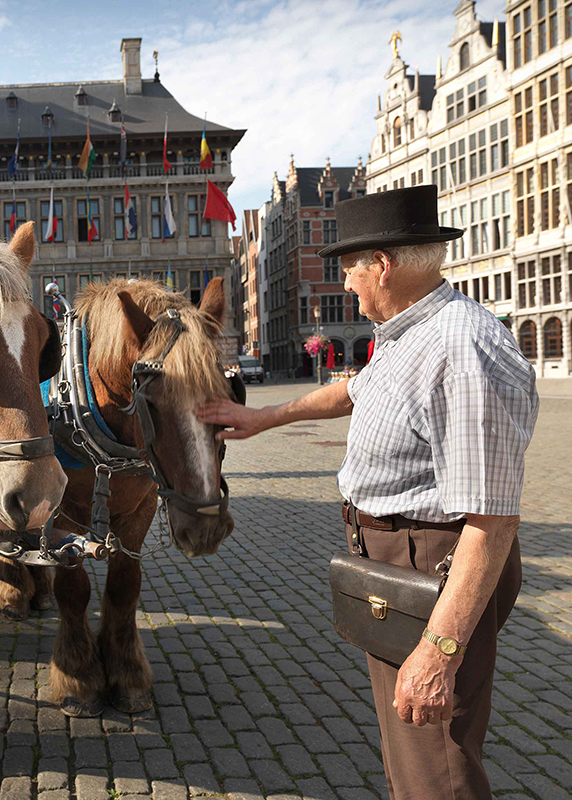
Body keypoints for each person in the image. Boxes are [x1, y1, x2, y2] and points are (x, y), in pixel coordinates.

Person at [197, 185, 539, 800]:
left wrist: (438, 649)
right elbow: (354, 392)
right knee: (409, 752)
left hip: (430, 566)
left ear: (381, 266)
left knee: (437, 769)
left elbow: (493, 522)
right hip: (395, 569)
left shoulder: (460, 348)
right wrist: (262, 419)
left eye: (351, 270)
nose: (348, 284)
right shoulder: (406, 332)